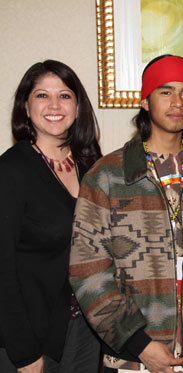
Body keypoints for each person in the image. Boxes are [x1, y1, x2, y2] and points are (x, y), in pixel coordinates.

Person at [69, 54, 183, 373]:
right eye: (165, 91)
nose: (177, 102)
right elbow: (87, 270)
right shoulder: (108, 177)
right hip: (132, 356)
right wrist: (139, 343)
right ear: (145, 101)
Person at [0, 60, 102, 372]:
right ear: (26, 107)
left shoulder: (92, 166)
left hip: (86, 332)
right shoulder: (11, 171)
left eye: (65, 95)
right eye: (42, 95)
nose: (54, 105)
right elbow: (2, 270)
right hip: (29, 339)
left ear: (77, 105)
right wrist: (25, 353)